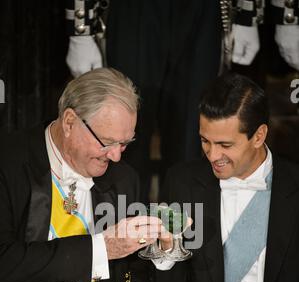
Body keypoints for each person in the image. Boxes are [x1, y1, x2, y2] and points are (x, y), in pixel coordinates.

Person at [65, 1, 299, 201]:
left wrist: (248, 14)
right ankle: (123, 238)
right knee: (122, 138)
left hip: (201, 9)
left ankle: (183, 240)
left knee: (194, 138)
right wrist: (80, 26)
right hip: (134, 9)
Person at [0, 67, 162, 282]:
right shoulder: (8, 161)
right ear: (70, 121)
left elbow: (139, 275)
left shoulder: (124, 179)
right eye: (107, 142)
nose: (115, 155)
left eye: (125, 143)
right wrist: (101, 250)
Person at [154, 72, 299, 282]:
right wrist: (165, 253)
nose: (212, 155)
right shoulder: (182, 181)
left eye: (225, 145)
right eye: (204, 141)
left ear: (258, 136)